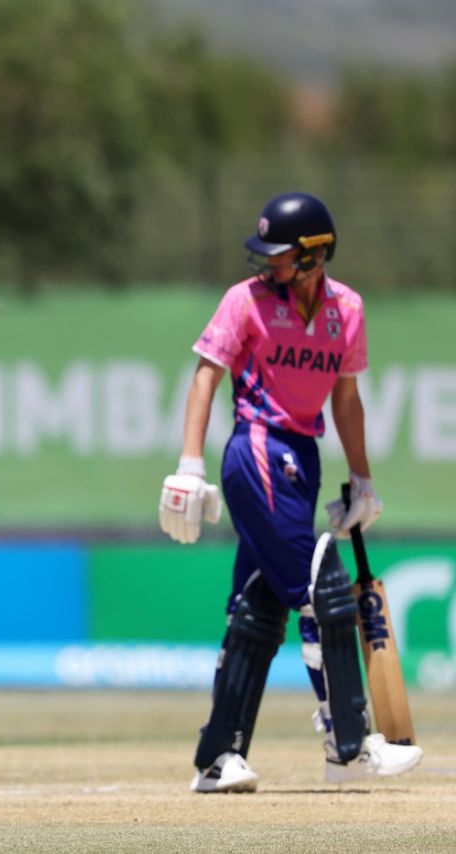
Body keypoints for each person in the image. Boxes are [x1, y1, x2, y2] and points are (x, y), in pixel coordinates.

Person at [158, 192, 423, 792]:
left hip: (301, 454)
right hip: (256, 447)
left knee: (258, 606)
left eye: (279, 256)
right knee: (319, 593)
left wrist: (363, 479)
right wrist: (189, 465)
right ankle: (347, 745)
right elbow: (207, 375)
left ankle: (217, 759)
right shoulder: (245, 301)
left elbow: (347, 400)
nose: (268, 266)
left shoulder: (347, 309)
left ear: (314, 255)